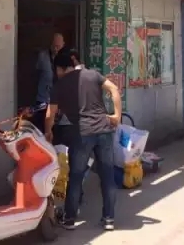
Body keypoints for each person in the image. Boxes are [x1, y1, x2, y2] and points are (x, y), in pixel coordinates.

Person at [45, 48, 121, 231]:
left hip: (82, 134)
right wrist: (117, 116)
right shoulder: (93, 75)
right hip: (104, 130)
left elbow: (50, 114)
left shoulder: (59, 85)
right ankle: (109, 219)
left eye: (57, 70)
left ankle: (70, 219)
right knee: (107, 176)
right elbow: (114, 89)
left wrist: (48, 131)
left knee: (76, 177)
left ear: (60, 68)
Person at [32, 32, 64, 132]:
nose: (56, 49)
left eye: (58, 46)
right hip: (43, 99)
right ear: (51, 44)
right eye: (54, 46)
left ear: (63, 45)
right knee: (41, 129)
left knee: (56, 130)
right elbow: (35, 75)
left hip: (59, 102)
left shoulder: (66, 58)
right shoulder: (42, 56)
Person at [52, 48, 83, 147]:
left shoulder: (65, 81)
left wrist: (48, 131)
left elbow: (51, 112)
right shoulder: (88, 75)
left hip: (70, 126)